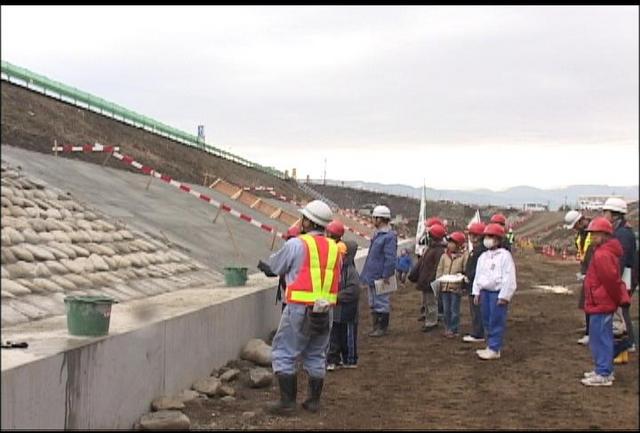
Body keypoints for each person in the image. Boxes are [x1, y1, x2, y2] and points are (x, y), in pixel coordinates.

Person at [265, 200, 342, 415]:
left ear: (308, 221)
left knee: (284, 351)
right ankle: (313, 402)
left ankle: (287, 403)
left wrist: (269, 267)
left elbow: (277, 266)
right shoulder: (336, 249)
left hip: (298, 309)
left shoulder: (297, 244)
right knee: (317, 353)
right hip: (325, 310)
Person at [580, 217, 630, 386]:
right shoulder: (604, 252)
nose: (592, 237)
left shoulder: (603, 254)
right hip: (600, 302)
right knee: (599, 338)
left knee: (600, 339)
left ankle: (604, 373)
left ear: (605, 234)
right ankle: (602, 369)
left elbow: (611, 281)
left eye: (595, 234)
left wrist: (615, 299)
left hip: (601, 303)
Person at [472, 223, 517, 360]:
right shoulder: (483, 257)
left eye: (491, 236)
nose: (487, 239)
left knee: (496, 320)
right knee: (486, 320)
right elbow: (478, 275)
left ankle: (494, 347)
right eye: (486, 236)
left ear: (498, 239)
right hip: (485, 292)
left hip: (496, 293)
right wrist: (476, 291)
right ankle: (489, 345)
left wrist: (505, 295)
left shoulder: (504, 256)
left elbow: (509, 277)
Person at [602, 197, 638, 354]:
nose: (604, 215)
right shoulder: (620, 230)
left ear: (614, 214)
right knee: (623, 309)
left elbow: (620, 259)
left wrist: (613, 281)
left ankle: (629, 341)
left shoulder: (622, 233)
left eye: (606, 212)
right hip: (625, 276)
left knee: (622, 309)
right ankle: (630, 341)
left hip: (625, 277)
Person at [360, 205, 398, 338]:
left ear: (380, 219)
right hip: (373, 274)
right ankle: (375, 326)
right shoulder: (378, 235)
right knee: (373, 302)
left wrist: (386, 274)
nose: (372, 220)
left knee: (381, 302)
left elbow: (390, 258)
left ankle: (381, 327)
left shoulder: (388, 237)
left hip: (381, 276)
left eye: (374, 218)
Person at [327, 240, 360, 371]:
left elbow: (354, 291)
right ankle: (333, 359)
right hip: (335, 312)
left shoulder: (351, 271)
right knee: (333, 336)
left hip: (348, 312)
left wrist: (336, 297)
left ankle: (350, 359)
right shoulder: (334, 270)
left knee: (348, 337)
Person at [408, 223, 447, 332]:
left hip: (430, 281)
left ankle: (432, 322)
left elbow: (437, 268)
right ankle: (429, 319)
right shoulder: (432, 248)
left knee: (431, 303)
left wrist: (432, 280)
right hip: (426, 280)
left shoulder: (438, 250)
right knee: (427, 302)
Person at [563, 210, 593, 345]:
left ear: (581, 221)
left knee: (592, 303)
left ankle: (591, 333)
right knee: (587, 302)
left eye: (575, 226)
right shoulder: (581, 235)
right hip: (587, 270)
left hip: (595, 272)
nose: (575, 229)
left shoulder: (594, 232)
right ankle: (589, 330)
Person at [258, 225, 301, 312]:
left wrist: (262, 266)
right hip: (299, 300)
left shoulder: (290, 250)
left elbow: (274, 271)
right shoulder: (303, 251)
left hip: (290, 300)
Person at [436, 231, 468, 338]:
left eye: (452, 243)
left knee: (454, 310)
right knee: (446, 310)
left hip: (456, 288)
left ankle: (454, 329)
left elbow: (465, 270)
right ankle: (447, 328)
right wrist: (438, 282)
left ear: (458, 244)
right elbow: (440, 270)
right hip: (445, 287)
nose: (450, 245)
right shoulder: (444, 256)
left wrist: (461, 279)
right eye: (449, 242)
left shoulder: (463, 256)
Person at [462, 222, 487, 343]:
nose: (470, 237)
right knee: (476, 309)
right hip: (474, 283)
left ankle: (478, 333)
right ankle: (478, 331)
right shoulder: (479, 250)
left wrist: (468, 276)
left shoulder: (479, 251)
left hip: (475, 284)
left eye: (471, 235)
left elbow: (476, 268)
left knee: (476, 310)